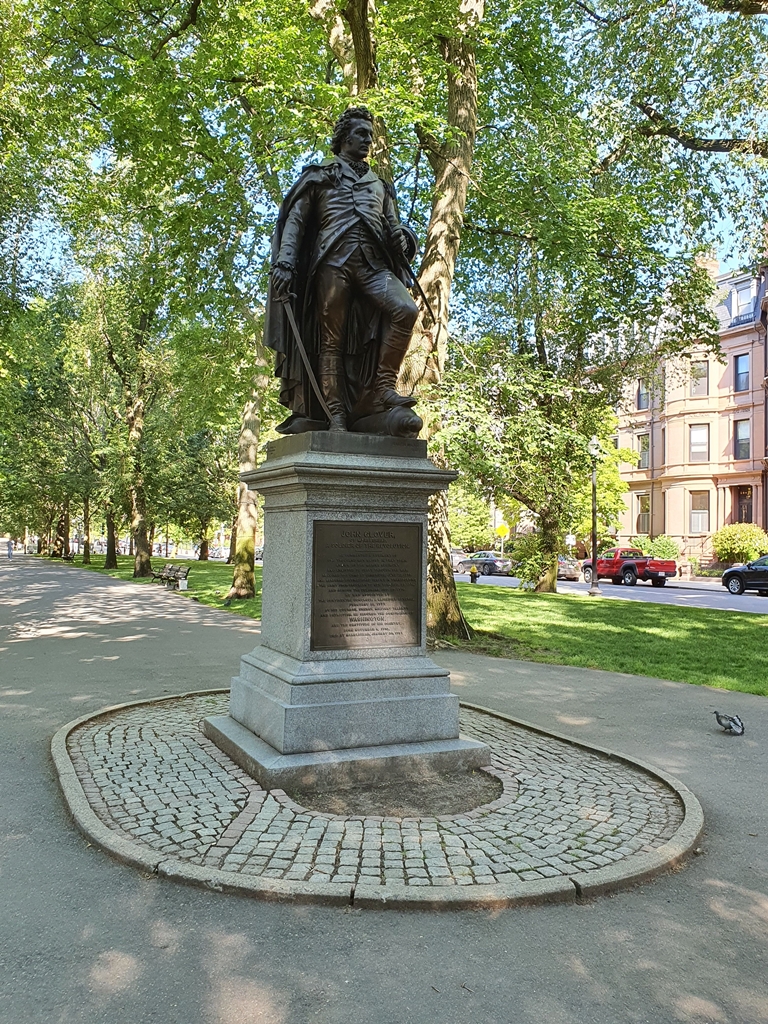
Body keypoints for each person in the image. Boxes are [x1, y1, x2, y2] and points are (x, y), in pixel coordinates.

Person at [265, 106, 421, 435]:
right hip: (331, 266)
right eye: (362, 134)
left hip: (372, 266)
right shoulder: (319, 175)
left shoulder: (379, 185)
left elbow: (394, 230)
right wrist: (284, 262)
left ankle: (383, 387)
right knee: (330, 343)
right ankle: (334, 414)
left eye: (370, 135)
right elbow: (295, 223)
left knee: (405, 309)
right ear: (343, 138)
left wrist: (404, 240)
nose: (368, 140)